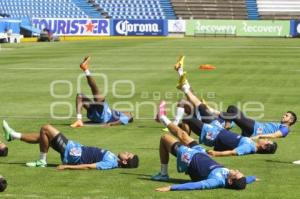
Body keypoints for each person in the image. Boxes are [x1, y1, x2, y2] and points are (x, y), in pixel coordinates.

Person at [151, 106, 257, 191]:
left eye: (236, 173)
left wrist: (171, 188)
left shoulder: (216, 181)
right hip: (201, 153)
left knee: (165, 138)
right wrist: (252, 178)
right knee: (182, 134)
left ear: (230, 181)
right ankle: (162, 117)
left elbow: (197, 185)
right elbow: (245, 180)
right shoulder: (233, 179)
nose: (236, 170)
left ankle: (163, 174)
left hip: (189, 158)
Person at [2, 120, 139, 170]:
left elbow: (90, 166)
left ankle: (42, 161)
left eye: (128, 154)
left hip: (72, 154)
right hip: (74, 149)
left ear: (125, 161)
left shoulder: (111, 163)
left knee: (46, 128)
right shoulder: (114, 158)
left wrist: (66, 166)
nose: (126, 151)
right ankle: (13, 135)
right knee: (44, 137)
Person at [157, 101, 277, 157]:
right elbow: (255, 137)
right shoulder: (252, 143)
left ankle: (163, 118)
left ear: (265, 146)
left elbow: (233, 152)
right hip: (216, 130)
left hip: (212, 134)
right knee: (194, 114)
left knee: (187, 119)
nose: (266, 139)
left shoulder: (249, 147)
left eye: (267, 141)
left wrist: (217, 153)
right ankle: (163, 119)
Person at [70, 56, 133, 128]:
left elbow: (122, 121)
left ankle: (86, 69)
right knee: (80, 96)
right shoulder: (118, 113)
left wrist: (110, 124)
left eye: (129, 113)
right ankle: (79, 120)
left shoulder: (126, 117)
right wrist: (86, 123)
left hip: (103, 115)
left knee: (95, 90)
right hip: (97, 115)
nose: (128, 112)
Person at [221, 105, 297, 139]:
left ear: (291, 120)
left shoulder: (285, 129)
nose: (283, 116)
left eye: (286, 116)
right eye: (284, 114)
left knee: (234, 114)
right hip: (253, 126)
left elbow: (274, 136)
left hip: (254, 129)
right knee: (232, 108)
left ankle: (212, 113)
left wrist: (259, 136)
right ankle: (226, 129)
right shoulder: (281, 125)